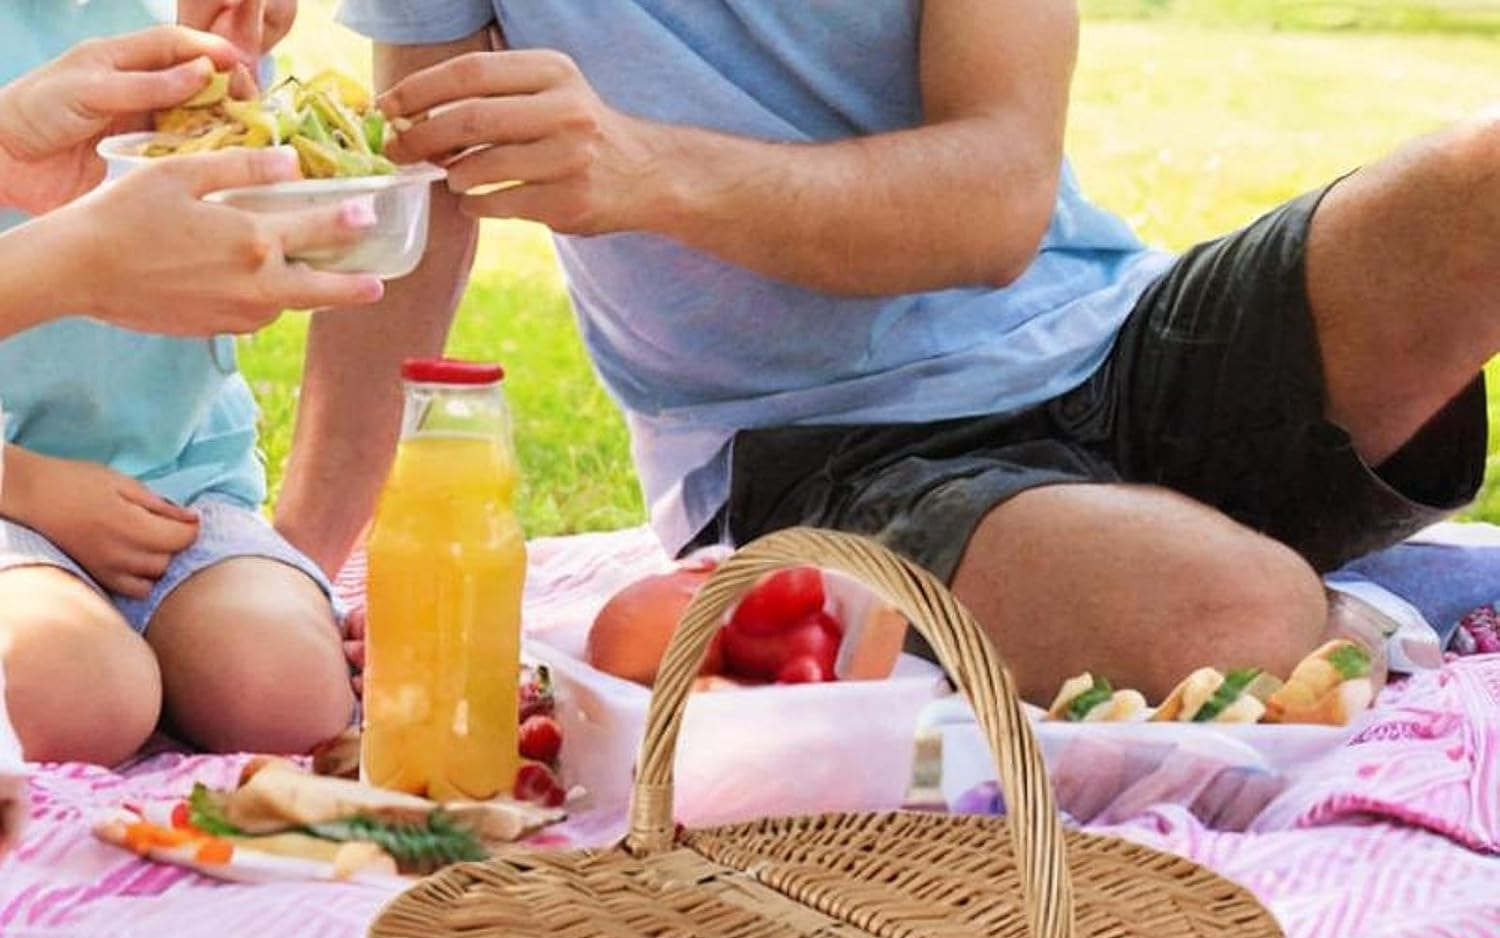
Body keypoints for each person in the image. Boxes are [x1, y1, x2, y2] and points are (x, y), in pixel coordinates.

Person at [278, 1, 1489, 707]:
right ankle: (1209, 576)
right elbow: (414, 206)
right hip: (819, 458)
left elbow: (996, 203)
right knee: (1244, 616)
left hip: (1116, 339)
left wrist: (653, 172)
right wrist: (299, 559)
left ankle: (1122, 565)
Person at [0, 3, 376, 767]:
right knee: (81, 693)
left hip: (177, 485)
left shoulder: (160, 24)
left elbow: (218, 269)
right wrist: (22, 484)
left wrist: (243, 79)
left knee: (289, 693)